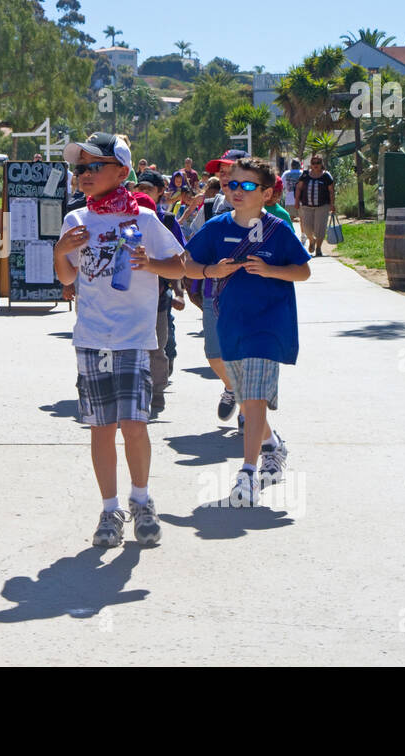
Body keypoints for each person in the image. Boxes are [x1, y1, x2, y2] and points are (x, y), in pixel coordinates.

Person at [54, 133, 185, 547]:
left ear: (123, 172)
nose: (84, 175)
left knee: (134, 424)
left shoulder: (145, 220)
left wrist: (153, 263)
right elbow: (67, 277)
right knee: (101, 427)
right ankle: (109, 510)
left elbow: (181, 265)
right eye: (80, 168)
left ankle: (141, 501)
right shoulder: (76, 221)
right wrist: (61, 252)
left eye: (95, 166)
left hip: (132, 338)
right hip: (92, 338)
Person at [181, 157, 311, 505]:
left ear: (267, 193)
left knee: (252, 398)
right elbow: (187, 264)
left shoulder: (279, 230)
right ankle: (273, 444)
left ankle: (248, 473)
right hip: (231, 324)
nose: (237, 191)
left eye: (248, 186)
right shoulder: (217, 226)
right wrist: (211, 272)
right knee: (245, 395)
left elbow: (302, 272)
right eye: (233, 184)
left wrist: (271, 271)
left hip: (269, 326)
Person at [133, 170, 186, 415]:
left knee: (158, 346)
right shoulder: (122, 221)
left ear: (159, 192)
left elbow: (179, 260)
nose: (142, 192)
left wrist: (179, 292)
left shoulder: (166, 221)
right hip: (128, 299)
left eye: (148, 189)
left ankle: (157, 393)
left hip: (158, 296)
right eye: (139, 188)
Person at [295, 154, 336, 256]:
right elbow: (299, 188)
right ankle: (311, 240)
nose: (315, 165)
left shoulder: (326, 176)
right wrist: (296, 201)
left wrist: (332, 204)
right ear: (311, 164)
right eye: (313, 163)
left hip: (322, 207)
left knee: (320, 229)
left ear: (321, 164)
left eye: (318, 163)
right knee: (306, 227)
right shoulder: (305, 175)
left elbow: (331, 191)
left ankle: (318, 248)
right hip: (306, 206)